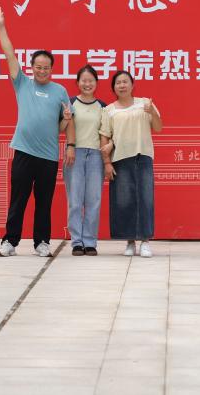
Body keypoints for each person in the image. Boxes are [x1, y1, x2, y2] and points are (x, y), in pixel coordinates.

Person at [0, 6, 72, 258]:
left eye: (46, 67)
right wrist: (1, 28)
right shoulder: (23, 83)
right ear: (32, 67)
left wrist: (66, 120)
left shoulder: (60, 91)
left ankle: (42, 243)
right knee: (18, 199)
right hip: (24, 152)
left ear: (52, 68)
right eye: (38, 67)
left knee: (44, 202)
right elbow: (9, 54)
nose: (42, 70)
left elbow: (60, 128)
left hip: (48, 156)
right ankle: (10, 241)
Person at [100, 71, 162, 257]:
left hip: (143, 156)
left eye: (125, 82)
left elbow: (158, 127)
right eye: (118, 82)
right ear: (113, 87)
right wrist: (107, 163)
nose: (122, 85)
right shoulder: (109, 110)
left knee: (145, 198)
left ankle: (145, 241)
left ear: (132, 85)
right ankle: (129, 242)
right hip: (120, 158)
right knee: (124, 201)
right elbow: (104, 136)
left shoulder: (145, 103)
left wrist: (152, 112)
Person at [65, 65, 108, 256]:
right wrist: (70, 146)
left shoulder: (103, 106)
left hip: (96, 156)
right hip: (74, 153)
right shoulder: (71, 103)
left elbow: (107, 133)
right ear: (78, 82)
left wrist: (106, 157)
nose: (87, 84)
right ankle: (76, 242)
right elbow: (63, 127)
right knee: (75, 200)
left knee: (93, 200)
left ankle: (90, 241)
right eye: (83, 80)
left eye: (91, 80)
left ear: (96, 83)